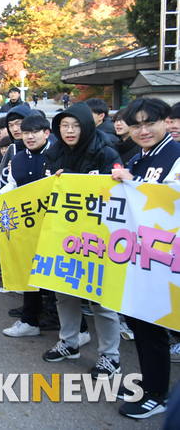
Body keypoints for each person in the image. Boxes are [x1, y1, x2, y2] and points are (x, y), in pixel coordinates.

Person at [40, 103, 122, 380]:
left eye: (75, 125)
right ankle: (70, 342)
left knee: (101, 299)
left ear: (87, 125)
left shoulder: (105, 151)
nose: (70, 131)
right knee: (63, 290)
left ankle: (111, 356)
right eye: (65, 126)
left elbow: (118, 191)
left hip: (99, 238)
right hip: (65, 235)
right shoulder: (54, 152)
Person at [111, 98, 180, 419]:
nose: (142, 130)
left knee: (153, 324)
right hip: (142, 257)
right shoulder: (138, 157)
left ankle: (157, 394)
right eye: (136, 125)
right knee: (140, 320)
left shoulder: (175, 156)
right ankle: (150, 381)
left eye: (149, 123)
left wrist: (133, 185)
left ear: (166, 121)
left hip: (166, 261)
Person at [0, 114, 52, 337]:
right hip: (27, 224)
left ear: (47, 133)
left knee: (54, 275)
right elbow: (12, 187)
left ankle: (67, 325)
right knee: (28, 268)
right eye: (25, 132)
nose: (29, 137)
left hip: (54, 225)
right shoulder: (19, 158)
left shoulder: (56, 155)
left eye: (35, 132)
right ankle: (30, 319)